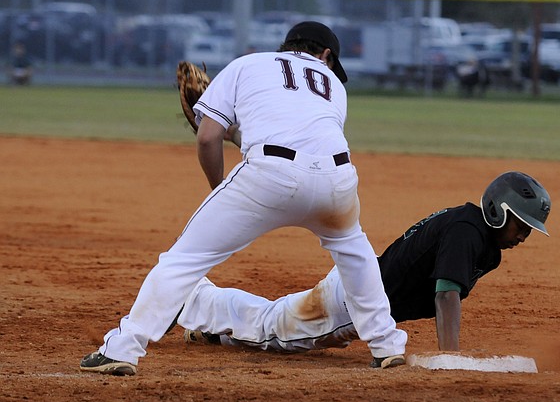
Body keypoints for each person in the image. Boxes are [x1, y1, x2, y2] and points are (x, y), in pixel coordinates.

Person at [80, 21, 408, 376]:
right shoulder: (332, 86)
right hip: (338, 180)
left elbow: (209, 138)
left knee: (184, 258)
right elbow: (301, 141)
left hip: (268, 175)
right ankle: (387, 345)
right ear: (325, 55)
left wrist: (220, 189)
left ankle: (123, 348)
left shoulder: (247, 64)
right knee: (355, 253)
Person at [178, 172, 551, 356]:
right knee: (271, 329)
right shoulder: (467, 232)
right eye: (521, 225)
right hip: (353, 301)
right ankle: (193, 298)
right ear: (497, 211)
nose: (524, 236)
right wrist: (449, 360)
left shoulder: (477, 236)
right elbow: (445, 296)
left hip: (361, 291)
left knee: (275, 327)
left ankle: (213, 328)